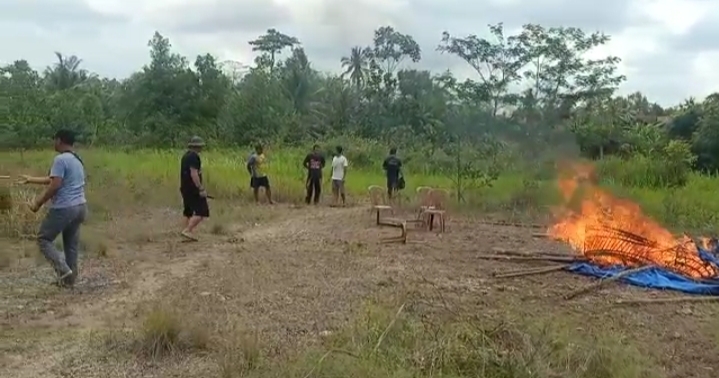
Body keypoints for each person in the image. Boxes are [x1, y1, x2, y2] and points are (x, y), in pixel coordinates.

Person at [17, 129, 87, 287]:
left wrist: (37, 203)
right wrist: (31, 179)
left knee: (43, 238)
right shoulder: (76, 159)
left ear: (59, 141)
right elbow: (54, 179)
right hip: (80, 206)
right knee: (70, 244)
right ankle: (70, 280)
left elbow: (55, 185)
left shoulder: (60, 160)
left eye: (54, 139)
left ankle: (63, 270)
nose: (53, 142)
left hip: (65, 207)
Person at [179, 136, 209, 241]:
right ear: (197, 147)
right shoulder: (194, 157)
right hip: (193, 188)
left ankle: (185, 233)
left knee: (188, 211)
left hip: (184, 187)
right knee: (202, 211)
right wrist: (200, 188)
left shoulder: (185, 156)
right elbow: (194, 173)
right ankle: (187, 230)